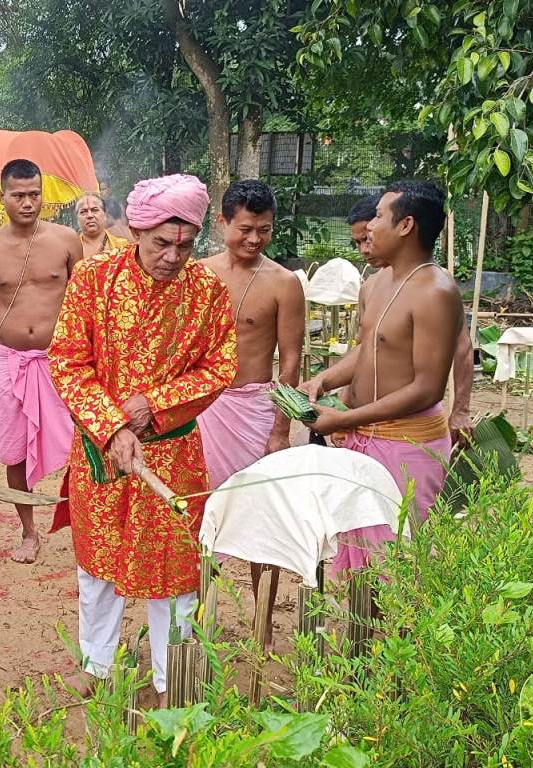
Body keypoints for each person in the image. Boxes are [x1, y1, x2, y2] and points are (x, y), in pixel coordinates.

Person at [49, 173, 237, 702]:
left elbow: (221, 366)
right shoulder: (92, 279)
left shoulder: (208, 290)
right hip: (101, 455)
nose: (174, 256)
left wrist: (153, 405)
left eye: (186, 244)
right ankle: (97, 666)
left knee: (175, 572)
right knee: (98, 563)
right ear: (135, 229)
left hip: (173, 457)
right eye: (161, 243)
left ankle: (169, 680)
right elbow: (67, 360)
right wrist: (110, 427)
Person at [303, 181, 462, 574]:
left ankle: (396, 636)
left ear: (406, 225)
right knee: (360, 565)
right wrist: (324, 380)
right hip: (364, 438)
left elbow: (427, 389)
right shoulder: (375, 283)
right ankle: (364, 636)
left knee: (398, 567)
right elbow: (366, 349)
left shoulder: (436, 292)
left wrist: (343, 419)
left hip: (407, 446)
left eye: (378, 216)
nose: (369, 227)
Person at [197, 180, 304, 647]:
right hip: (200, 409)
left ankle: (261, 627)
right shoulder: (197, 275)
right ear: (222, 223)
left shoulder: (283, 283)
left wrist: (281, 428)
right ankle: (198, 618)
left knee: (264, 519)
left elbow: (292, 359)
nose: (255, 239)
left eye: (264, 230)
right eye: (245, 229)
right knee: (198, 513)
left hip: (256, 411)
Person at [0, 159, 82, 563]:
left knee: (83, 444)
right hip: (8, 361)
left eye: (34, 194)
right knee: (13, 451)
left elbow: (85, 303)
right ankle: (29, 531)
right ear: (3, 197)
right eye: (18, 195)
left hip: (62, 361)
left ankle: (84, 523)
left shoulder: (67, 240)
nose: (28, 203)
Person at [347, 195, 474, 444]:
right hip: (365, 430)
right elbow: (365, 354)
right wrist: (344, 403)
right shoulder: (371, 286)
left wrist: (460, 409)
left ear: (403, 227)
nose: (365, 248)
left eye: (369, 237)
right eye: (358, 242)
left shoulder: (434, 289)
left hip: (406, 436)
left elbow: (462, 348)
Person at [76, 193, 129, 258]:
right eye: (83, 212)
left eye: (95, 210)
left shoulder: (122, 246)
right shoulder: (72, 248)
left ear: (105, 215)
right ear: (77, 218)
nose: (90, 215)